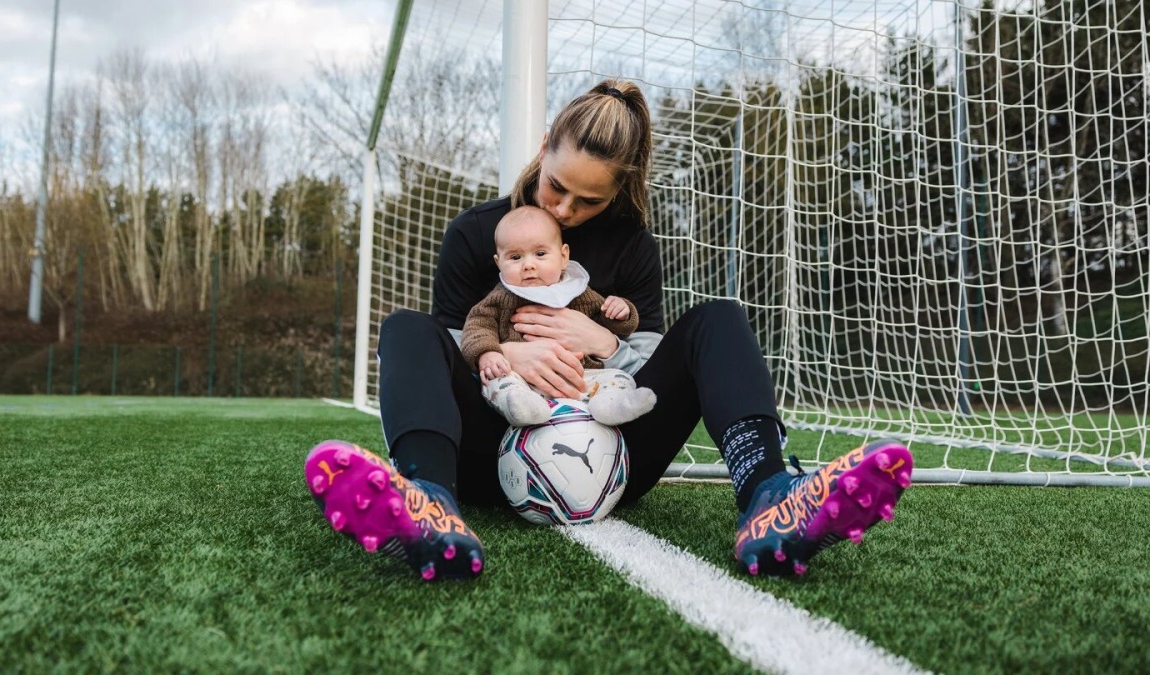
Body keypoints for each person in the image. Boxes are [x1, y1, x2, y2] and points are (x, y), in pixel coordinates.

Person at [303, 79, 913, 581]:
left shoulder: (632, 249)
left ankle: (770, 497)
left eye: (588, 202)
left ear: (619, 190)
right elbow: (447, 347)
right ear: (544, 148)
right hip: (491, 451)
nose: (565, 209)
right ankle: (428, 501)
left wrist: (606, 344)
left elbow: (647, 362)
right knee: (406, 328)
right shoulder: (477, 235)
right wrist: (511, 355)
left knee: (718, 318)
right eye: (557, 187)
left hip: (616, 446)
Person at [462, 204, 657, 427]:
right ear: (499, 263)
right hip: (523, 379)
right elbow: (476, 327)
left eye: (540, 254)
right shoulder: (498, 299)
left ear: (564, 256)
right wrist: (487, 353)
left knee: (617, 378)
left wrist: (621, 312)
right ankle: (521, 407)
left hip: (582, 377)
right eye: (515, 257)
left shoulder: (579, 292)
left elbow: (611, 322)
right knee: (498, 381)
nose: (528, 265)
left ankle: (612, 406)